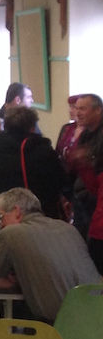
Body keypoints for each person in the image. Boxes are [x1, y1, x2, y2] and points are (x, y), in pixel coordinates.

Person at [0, 187, 100, 322]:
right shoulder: (67, 228)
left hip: (60, 324)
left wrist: (16, 284)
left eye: (2, 217)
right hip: (97, 315)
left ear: (17, 211)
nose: (1, 224)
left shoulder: (11, 232)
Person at [0, 106, 66, 220]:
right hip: (40, 215)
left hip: (1, 215)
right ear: (32, 128)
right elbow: (58, 182)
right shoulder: (43, 152)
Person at [65, 93, 103, 240]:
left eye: (82, 109)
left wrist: (88, 160)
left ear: (98, 110)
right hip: (81, 197)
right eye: (76, 108)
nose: (78, 113)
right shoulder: (85, 133)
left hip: (96, 200)